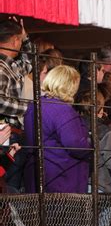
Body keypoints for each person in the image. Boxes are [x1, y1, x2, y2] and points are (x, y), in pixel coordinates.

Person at [23, 65, 91, 193]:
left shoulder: (34, 105)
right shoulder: (63, 110)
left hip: (39, 174)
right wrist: (91, 143)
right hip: (62, 178)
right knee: (60, 213)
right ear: (70, 85)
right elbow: (76, 145)